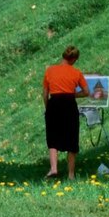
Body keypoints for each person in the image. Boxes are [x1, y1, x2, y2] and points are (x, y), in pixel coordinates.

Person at [42, 45, 90, 179]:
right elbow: (86, 92)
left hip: (54, 104)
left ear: (63, 56)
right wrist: (73, 95)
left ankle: (53, 169)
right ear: (74, 59)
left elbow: (45, 94)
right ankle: (71, 174)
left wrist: (48, 108)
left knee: (53, 137)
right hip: (69, 105)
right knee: (71, 137)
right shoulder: (76, 72)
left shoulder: (50, 71)